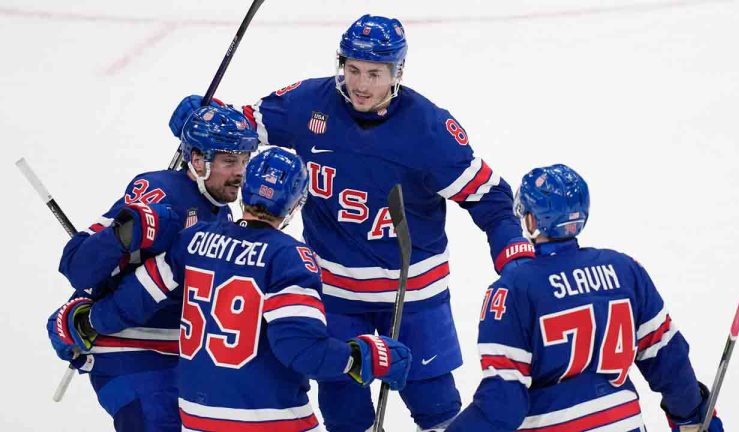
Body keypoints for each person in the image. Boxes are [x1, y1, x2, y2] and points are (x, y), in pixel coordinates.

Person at [168, 14, 534, 432]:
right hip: (333, 288)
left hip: (411, 290)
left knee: (436, 403)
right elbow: (242, 125)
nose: (360, 84)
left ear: (397, 72)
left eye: (374, 73)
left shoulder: (429, 129)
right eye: (352, 69)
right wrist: (206, 120)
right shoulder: (307, 104)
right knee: (343, 407)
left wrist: (512, 251)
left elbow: (489, 196)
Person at [51, 147, 413, 431]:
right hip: (271, 418)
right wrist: (362, 357)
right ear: (297, 203)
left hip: (197, 416)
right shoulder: (291, 257)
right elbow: (302, 352)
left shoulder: (193, 241)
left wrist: (87, 322)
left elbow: (135, 297)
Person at [445, 164, 725, 432]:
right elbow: (667, 358)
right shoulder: (625, 270)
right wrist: (692, 414)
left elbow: (502, 404)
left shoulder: (511, 291)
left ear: (531, 220)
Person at [46, 105, 258, 431]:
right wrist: (125, 233)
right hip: (128, 355)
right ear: (199, 162)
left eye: (244, 159)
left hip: (179, 358)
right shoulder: (159, 193)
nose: (240, 172)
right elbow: (78, 266)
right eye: (230, 161)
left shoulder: (222, 214)